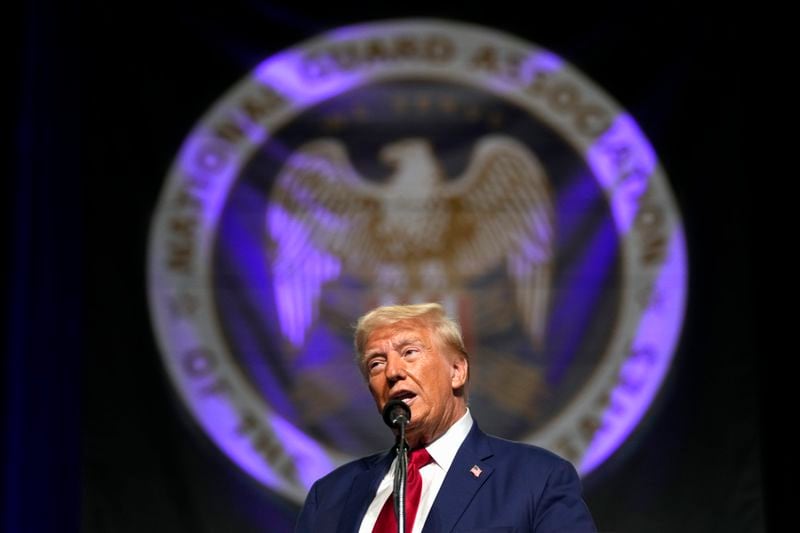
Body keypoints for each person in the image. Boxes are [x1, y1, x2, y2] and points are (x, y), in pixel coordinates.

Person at [295, 303, 597, 533]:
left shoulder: (537, 478)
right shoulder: (330, 496)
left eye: (410, 352)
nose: (392, 372)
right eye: (376, 363)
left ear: (457, 371)